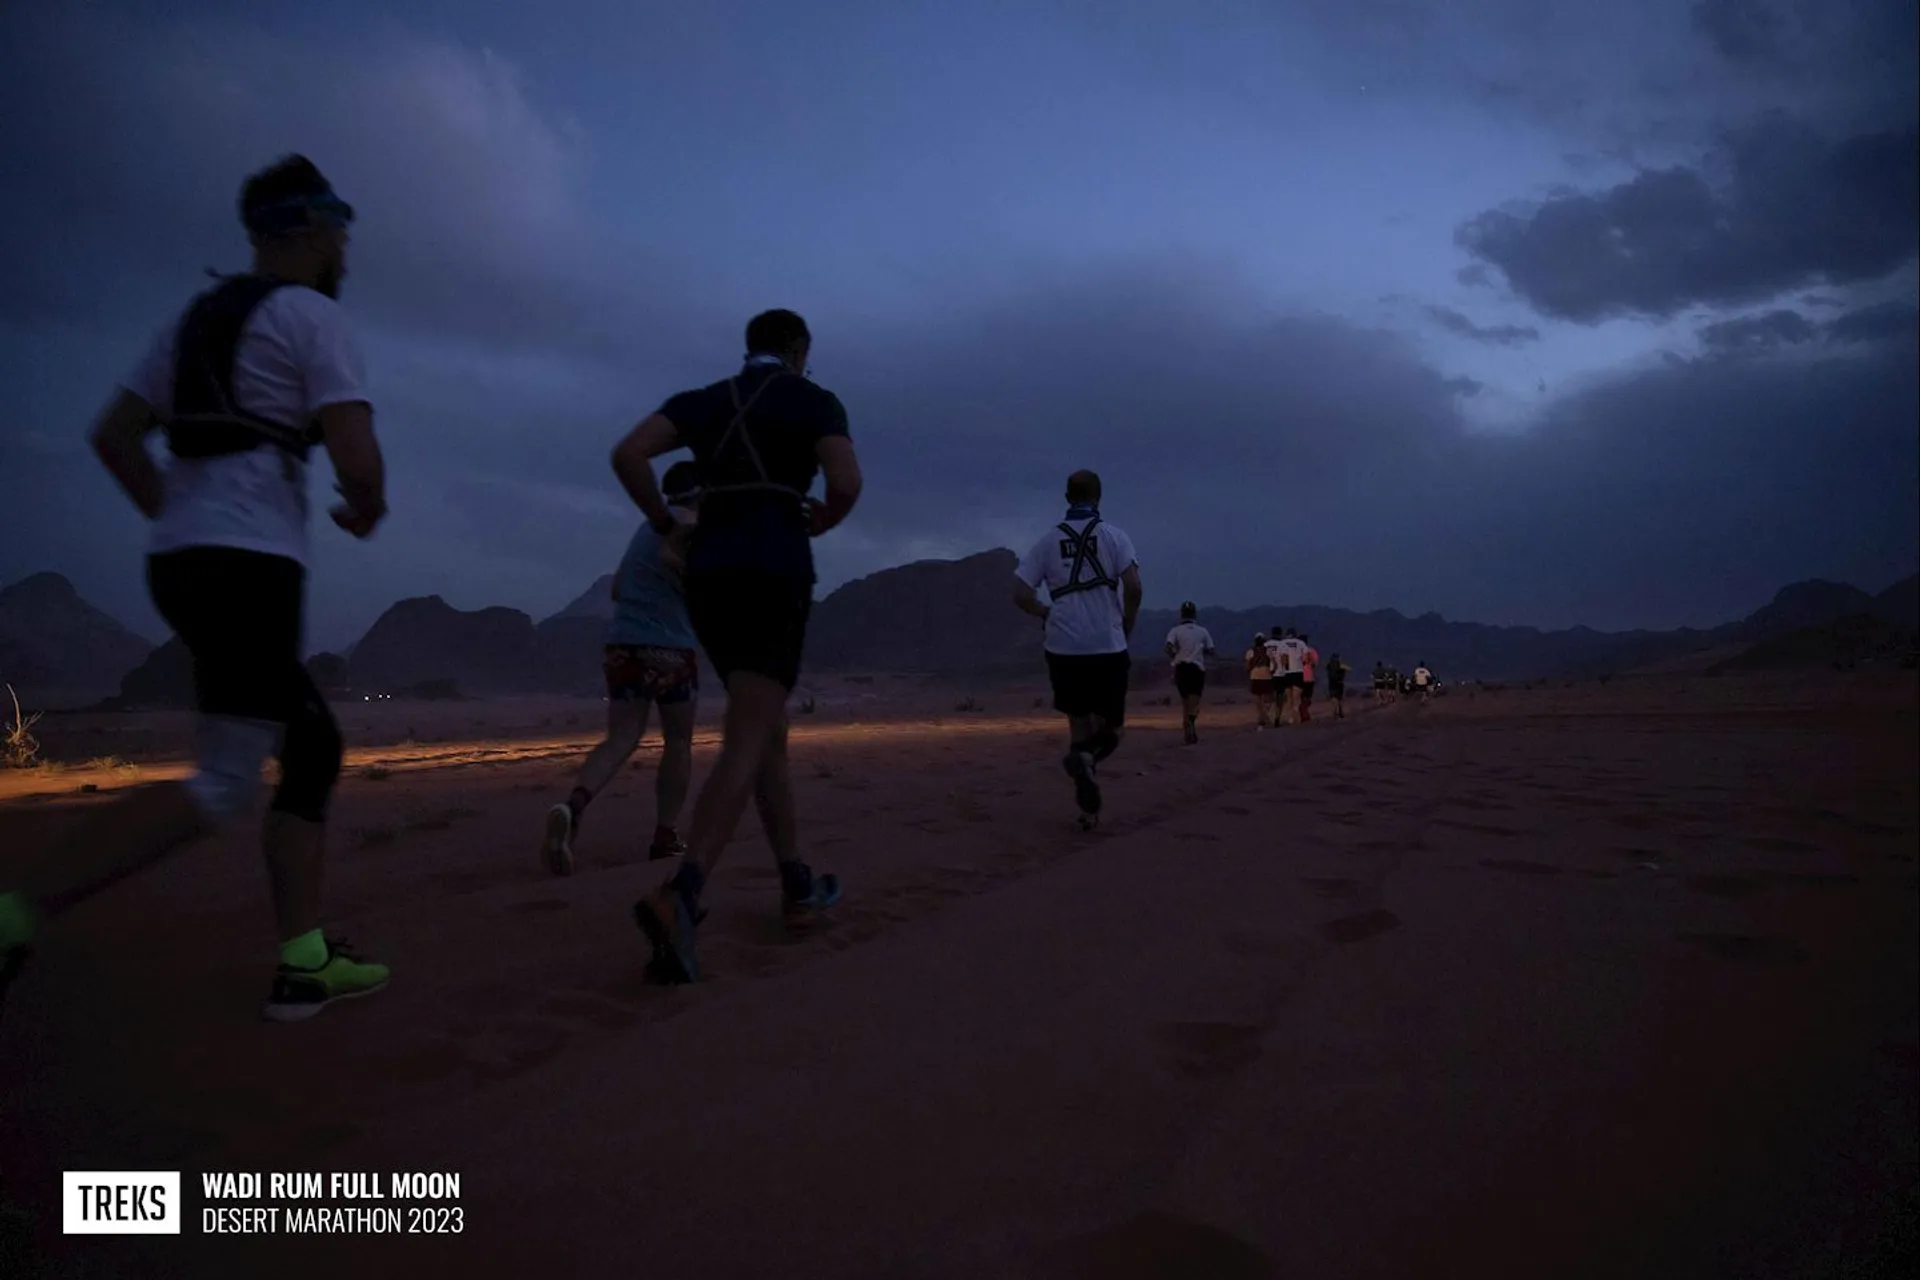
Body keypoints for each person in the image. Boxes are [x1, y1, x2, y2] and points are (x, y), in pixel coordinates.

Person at [0, 155, 391, 1023]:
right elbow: (357, 454)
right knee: (221, 781)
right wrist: (365, 505)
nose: (344, 250)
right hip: (249, 564)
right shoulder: (310, 317)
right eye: (340, 233)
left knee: (312, 747)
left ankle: (304, 960)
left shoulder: (187, 323)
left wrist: (175, 518)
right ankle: (16, 913)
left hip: (188, 559)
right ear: (313, 232)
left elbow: (115, 436)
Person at [612, 310, 860, 985]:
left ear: (748, 347)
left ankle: (797, 884)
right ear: (799, 350)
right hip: (775, 572)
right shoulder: (814, 399)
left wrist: (666, 524)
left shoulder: (705, 401)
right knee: (750, 732)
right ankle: (682, 893)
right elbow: (845, 481)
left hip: (709, 579)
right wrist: (826, 518)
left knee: (766, 729)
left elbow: (628, 454)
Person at [541, 462, 705, 875]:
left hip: (623, 645)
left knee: (622, 737)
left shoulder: (647, 527)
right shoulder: (694, 528)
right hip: (670, 647)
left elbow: (617, 588)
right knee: (679, 740)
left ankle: (573, 806)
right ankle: (665, 836)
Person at [1013, 470, 1142, 829]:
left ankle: (1087, 811)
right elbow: (1133, 586)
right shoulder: (1115, 537)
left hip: (1063, 645)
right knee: (1113, 728)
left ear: (1067, 498)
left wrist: (1045, 612)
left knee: (1078, 721)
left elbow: (1020, 593)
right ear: (1098, 498)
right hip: (1107, 642)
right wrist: (1127, 622)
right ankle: (1086, 760)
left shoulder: (1046, 543)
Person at [1163, 601, 1215, 744]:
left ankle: (1188, 729)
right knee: (1194, 701)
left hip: (1181, 668)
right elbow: (1211, 649)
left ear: (1181, 614)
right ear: (1194, 614)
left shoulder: (1175, 631)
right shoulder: (1203, 631)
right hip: (1196, 669)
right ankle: (1191, 723)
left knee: (1185, 701)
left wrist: (1174, 655)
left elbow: (1168, 647)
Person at [1245, 632, 1276, 728]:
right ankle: (1266, 717)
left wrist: (1249, 672)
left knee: (1257, 699)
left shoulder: (1250, 651)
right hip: (1266, 675)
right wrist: (1272, 672)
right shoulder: (1268, 651)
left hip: (1255, 675)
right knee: (1268, 699)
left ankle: (1261, 718)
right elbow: (1274, 663)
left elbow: (1247, 665)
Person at [1298, 632, 1321, 723]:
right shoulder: (1312, 651)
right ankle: (1304, 714)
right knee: (1306, 697)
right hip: (1309, 677)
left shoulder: (1297, 652)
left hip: (1299, 676)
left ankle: (1303, 714)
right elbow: (1315, 664)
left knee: (1301, 698)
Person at [1327, 652, 1351, 719]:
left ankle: (1335, 710)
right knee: (1339, 698)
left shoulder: (1329, 665)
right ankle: (1339, 711)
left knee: (1333, 697)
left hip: (1331, 683)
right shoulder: (1340, 665)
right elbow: (1349, 669)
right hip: (1339, 683)